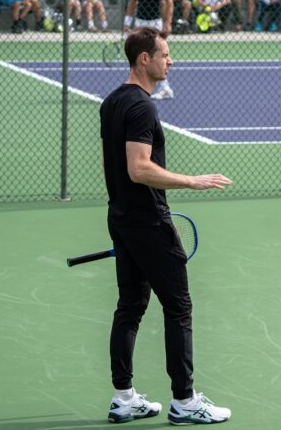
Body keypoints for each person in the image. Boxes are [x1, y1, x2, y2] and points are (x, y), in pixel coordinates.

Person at [100, 26, 233, 426]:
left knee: (131, 306)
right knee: (179, 308)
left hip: (121, 219)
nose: (169, 60)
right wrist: (193, 180)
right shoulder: (142, 107)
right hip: (148, 222)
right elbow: (138, 169)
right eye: (164, 54)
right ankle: (185, 401)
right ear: (145, 59)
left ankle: (124, 397)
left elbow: (118, 169)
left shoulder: (111, 102)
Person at [124, 0, 175, 99]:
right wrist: (126, 23)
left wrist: (168, 23)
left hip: (155, 23)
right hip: (139, 22)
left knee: (157, 56)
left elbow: (169, 1)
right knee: (138, 56)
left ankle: (165, 88)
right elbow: (133, 1)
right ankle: (138, 86)